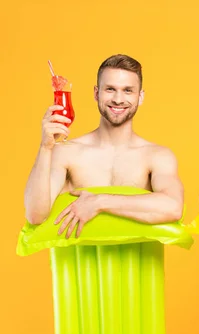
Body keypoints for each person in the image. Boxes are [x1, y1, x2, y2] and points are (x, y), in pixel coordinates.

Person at [24, 54, 183, 237]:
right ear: (96, 93)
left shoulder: (157, 156)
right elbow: (35, 215)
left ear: (140, 97)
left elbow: (173, 207)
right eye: (110, 89)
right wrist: (45, 147)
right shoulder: (67, 153)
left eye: (128, 90)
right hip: (76, 265)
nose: (118, 99)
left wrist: (99, 202)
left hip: (139, 264)